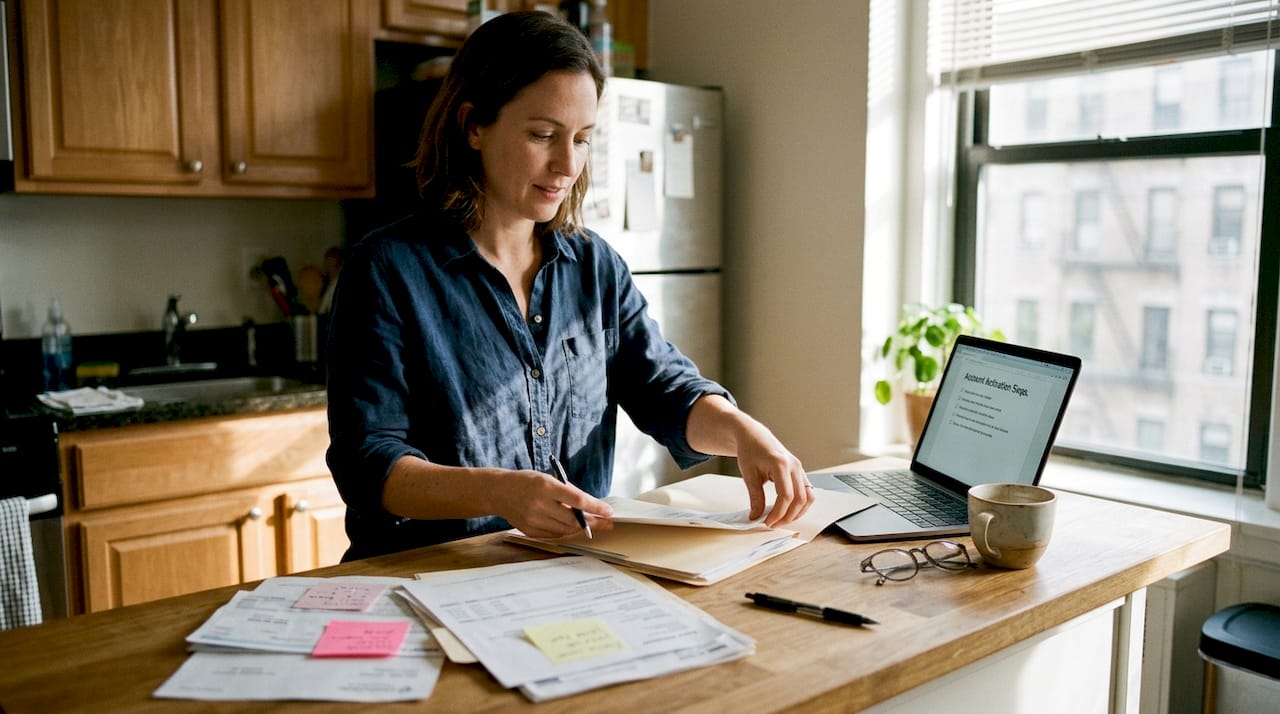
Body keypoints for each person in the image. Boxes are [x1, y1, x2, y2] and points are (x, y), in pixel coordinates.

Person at [325, 11, 813, 561]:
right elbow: (368, 463)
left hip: (569, 574)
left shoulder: (594, 266)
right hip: (426, 576)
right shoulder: (387, 269)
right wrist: (502, 492)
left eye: (582, 139)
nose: (567, 164)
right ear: (473, 126)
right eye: (543, 135)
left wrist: (744, 432)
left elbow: (665, 389)